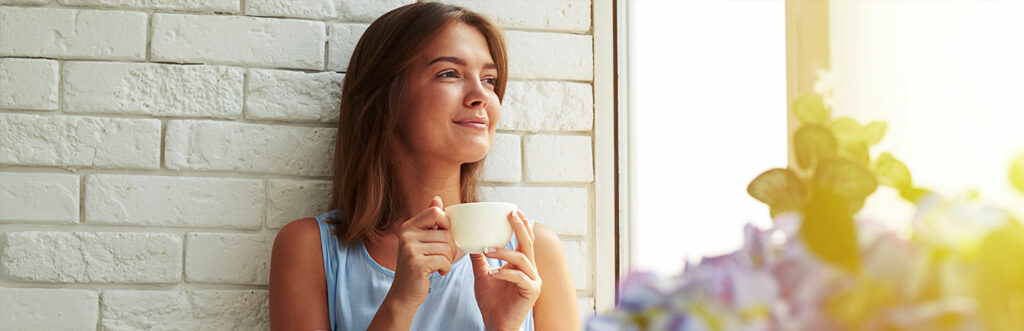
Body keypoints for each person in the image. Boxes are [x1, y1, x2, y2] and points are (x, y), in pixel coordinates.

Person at [268, 2, 580, 330]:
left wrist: (503, 326)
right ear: (386, 99)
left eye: (489, 79)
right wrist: (400, 302)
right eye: (449, 73)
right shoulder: (308, 249)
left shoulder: (536, 252)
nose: (481, 96)